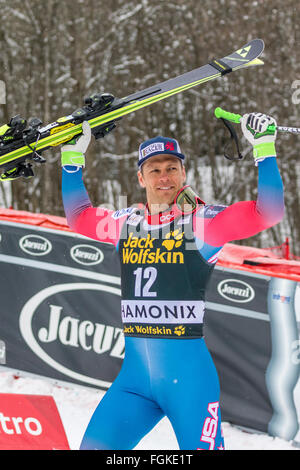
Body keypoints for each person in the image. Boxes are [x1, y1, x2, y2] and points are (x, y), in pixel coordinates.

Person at [61, 108, 284, 450]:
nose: (164, 177)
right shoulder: (125, 222)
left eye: (171, 169)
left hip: (189, 384)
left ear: (183, 173)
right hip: (134, 384)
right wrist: (72, 160)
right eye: (155, 170)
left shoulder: (203, 223)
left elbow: (267, 212)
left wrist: (264, 149)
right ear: (141, 178)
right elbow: (80, 218)